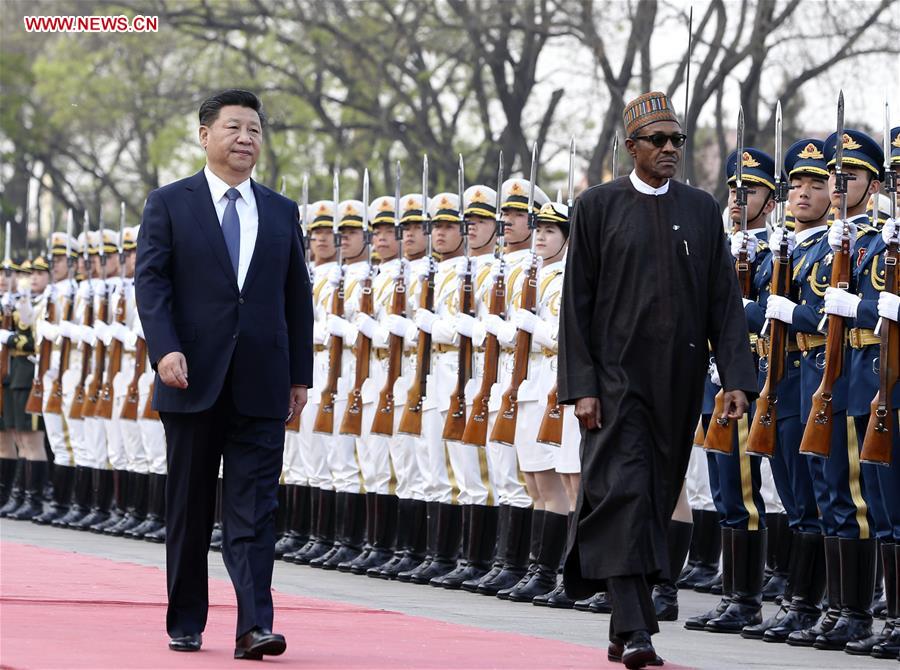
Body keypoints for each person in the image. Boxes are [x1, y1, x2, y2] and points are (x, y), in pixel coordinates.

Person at [558, 90, 757, 668]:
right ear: (632, 147)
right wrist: (582, 386)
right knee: (621, 491)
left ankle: (626, 624)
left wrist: (735, 380)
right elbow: (577, 304)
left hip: (681, 382)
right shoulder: (595, 206)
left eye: (677, 141)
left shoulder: (700, 209)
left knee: (651, 499)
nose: (670, 149)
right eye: (658, 141)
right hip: (615, 382)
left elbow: (724, 299)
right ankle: (636, 629)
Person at [135, 89, 312, 659]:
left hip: (262, 381)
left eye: (255, 130)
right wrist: (164, 349)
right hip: (191, 377)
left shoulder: (281, 211)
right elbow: (152, 284)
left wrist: (300, 376)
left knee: (255, 509)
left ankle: (254, 625)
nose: (245, 139)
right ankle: (186, 619)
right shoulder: (169, 203)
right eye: (234, 127)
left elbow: (296, 298)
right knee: (189, 507)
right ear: (205, 135)